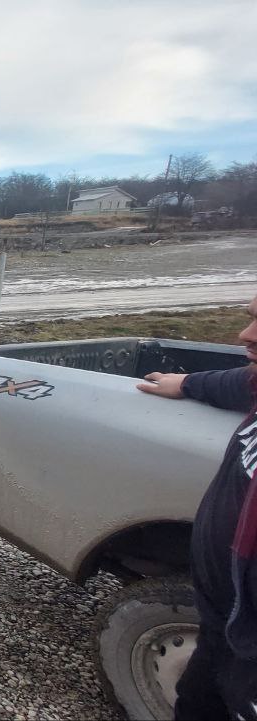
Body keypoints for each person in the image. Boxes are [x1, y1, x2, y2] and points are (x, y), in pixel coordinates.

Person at [136, 295, 257, 720]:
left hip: (249, 654)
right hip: (224, 627)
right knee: (197, 702)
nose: (245, 335)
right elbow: (243, 382)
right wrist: (185, 384)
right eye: (251, 318)